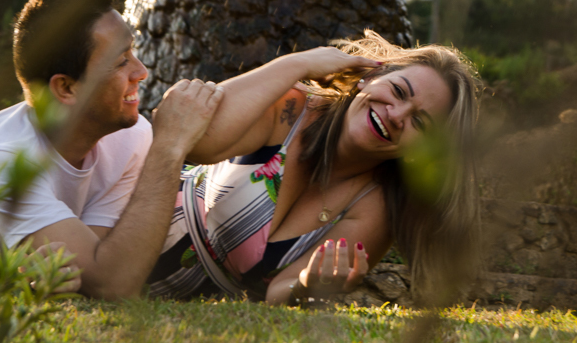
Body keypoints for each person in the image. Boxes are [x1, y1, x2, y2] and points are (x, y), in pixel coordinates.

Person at [0, 0, 225, 300]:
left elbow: (98, 263)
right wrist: (169, 148)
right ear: (66, 88)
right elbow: (112, 283)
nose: (142, 72)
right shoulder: (1, 159)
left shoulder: (128, 137)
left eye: (132, 53)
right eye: (121, 61)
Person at [146, 31, 481, 305]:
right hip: (133, 229)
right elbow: (199, 141)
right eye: (397, 91)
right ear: (370, 77)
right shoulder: (292, 107)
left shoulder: (375, 206)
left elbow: (281, 291)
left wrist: (307, 286)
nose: (396, 115)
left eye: (419, 122)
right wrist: (299, 63)